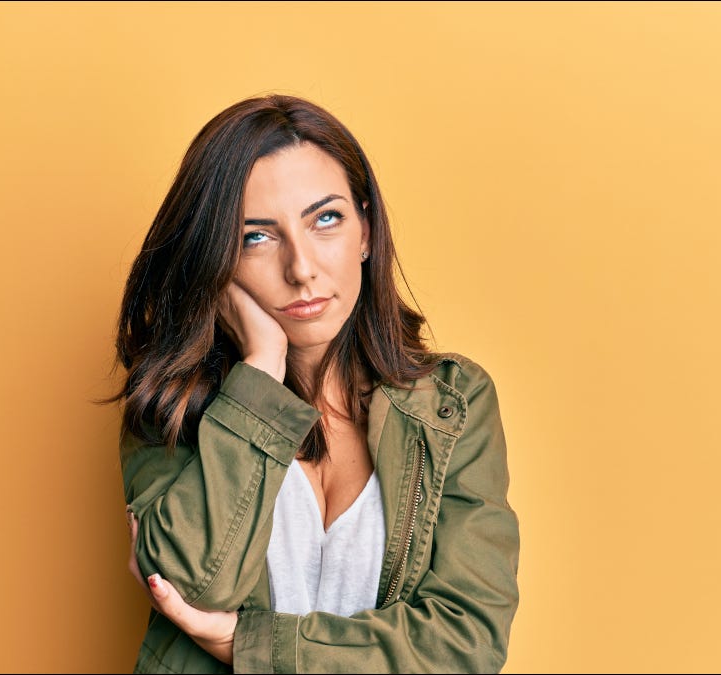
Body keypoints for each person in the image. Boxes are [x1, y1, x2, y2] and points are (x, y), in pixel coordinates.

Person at [102, 94, 520, 673]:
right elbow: (196, 586)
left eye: (326, 219)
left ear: (367, 232)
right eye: (256, 237)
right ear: (215, 259)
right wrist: (261, 367)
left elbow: (464, 644)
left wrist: (245, 644)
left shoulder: (452, 404)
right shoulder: (172, 402)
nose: (301, 269)